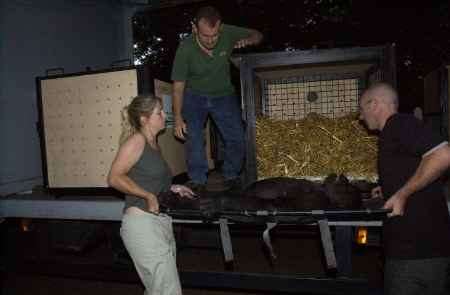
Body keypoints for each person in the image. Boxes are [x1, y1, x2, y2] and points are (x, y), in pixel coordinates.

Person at [359, 82, 450, 295]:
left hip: (414, 253)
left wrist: (402, 193)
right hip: (425, 250)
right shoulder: (394, 132)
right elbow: (417, 167)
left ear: (374, 104)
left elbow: (444, 154)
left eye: (362, 109)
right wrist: (390, 188)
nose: (360, 117)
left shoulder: (399, 124)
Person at [107, 94, 195, 295]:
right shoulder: (136, 141)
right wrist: (148, 196)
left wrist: (174, 188)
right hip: (142, 225)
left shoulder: (154, 144)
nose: (165, 115)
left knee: (158, 289)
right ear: (144, 119)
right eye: (159, 112)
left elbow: (151, 181)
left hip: (160, 223)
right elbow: (114, 178)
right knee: (168, 291)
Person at [171, 6, 263, 192]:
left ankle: (231, 175)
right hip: (194, 96)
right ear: (194, 28)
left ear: (220, 27)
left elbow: (257, 35)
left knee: (236, 137)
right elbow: (178, 87)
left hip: (224, 95)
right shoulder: (185, 48)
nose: (212, 40)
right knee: (194, 138)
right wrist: (178, 118)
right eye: (206, 36)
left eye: (215, 35)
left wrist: (248, 40)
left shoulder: (227, 32)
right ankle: (197, 180)